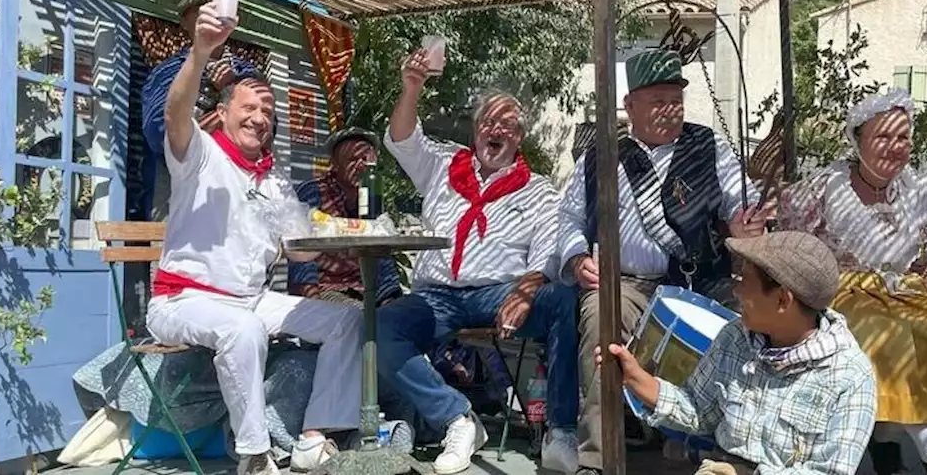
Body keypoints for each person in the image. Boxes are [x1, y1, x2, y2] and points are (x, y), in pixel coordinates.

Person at [144, 3, 362, 475]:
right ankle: (256, 455)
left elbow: (298, 248)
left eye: (267, 110)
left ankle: (312, 435)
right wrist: (201, 53)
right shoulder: (198, 154)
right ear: (222, 114)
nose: (260, 117)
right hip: (183, 299)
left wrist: (330, 234)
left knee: (348, 322)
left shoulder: (273, 180)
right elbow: (175, 111)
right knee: (241, 331)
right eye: (249, 107)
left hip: (251, 299)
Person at [558, 48, 767, 475]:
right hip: (625, 284)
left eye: (676, 100)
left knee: (746, 326)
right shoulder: (600, 154)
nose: (669, 110)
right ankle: (597, 459)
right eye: (658, 101)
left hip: (698, 282)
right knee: (601, 321)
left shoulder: (708, 145)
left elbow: (741, 200)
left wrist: (745, 225)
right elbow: (568, 218)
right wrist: (577, 256)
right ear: (629, 105)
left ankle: (723, 453)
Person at [375, 49, 580, 475]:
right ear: (475, 130)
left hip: (497, 293)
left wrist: (525, 292)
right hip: (437, 295)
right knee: (381, 324)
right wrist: (412, 87)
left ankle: (561, 429)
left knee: (562, 298)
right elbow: (401, 138)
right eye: (488, 122)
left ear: (518, 136)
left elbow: (546, 251)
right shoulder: (444, 165)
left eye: (506, 124)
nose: (495, 129)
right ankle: (457, 418)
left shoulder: (538, 190)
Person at [778, 89, 927, 475]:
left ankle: (888, 441)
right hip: (842, 290)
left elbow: (924, 263)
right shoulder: (825, 188)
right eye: (883, 137)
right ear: (859, 141)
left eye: (902, 137)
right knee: (881, 335)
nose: (895, 147)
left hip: (904, 291)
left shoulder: (922, 193)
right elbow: (796, 250)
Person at [602, 231, 876, 475]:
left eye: (744, 281)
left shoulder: (850, 377)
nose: (736, 291)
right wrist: (635, 378)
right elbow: (698, 409)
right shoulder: (735, 337)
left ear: (783, 300)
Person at [138, 0, 260, 221]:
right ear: (185, 22)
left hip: (237, 190)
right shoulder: (167, 71)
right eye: (204, 12)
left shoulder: (249, 74)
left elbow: (266, 131)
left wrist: (230, 87)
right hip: (179, 191)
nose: (214, 18)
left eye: (221, 12)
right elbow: (158, 133)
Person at [290, 127, 402, 306]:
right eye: (352, 159)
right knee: (364, 321)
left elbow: (382, 250)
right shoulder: (314, 191)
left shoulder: (371, 192)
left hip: (365, 289)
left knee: (406, 318)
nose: (360, 165)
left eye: (365, 159)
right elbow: (301, 250)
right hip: (326, 289)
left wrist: (391, 296)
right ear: (335, 163)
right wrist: (312, 302)